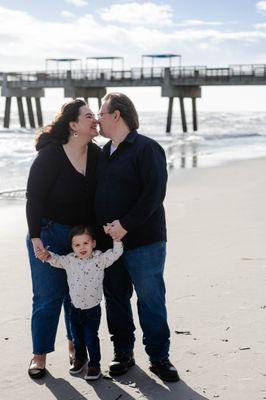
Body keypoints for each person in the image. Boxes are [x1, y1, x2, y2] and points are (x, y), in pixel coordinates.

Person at [95, 92, 179, 382]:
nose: (97, 118)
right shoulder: (104, 153)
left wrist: (126, 225)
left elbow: (154, 193)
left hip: (145, 242)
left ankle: (159, 357)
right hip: (110, 245)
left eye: (101, 113)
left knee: (150, 299)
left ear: (116, 115)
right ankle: (123, 353)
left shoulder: (147, 148)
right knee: (116, 298)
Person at [26, 99, 100, 379]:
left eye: (95, 115)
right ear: (73, 124)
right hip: (47, 233)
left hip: (80, 238)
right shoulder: (51, 155)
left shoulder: (96, 155)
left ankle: (75, 347)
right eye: (89, 116)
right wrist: (35, 238)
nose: (95, 120)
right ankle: (39, 355)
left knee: (76, 295)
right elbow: (34, 198)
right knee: (47, 297)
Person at [36, 225, 123, 380]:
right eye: (77, 245)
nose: (82, 248)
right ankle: (80, 359)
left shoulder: (100, 259)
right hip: (74, 309)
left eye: (86, 243)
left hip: (92, 310)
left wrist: (116, 239)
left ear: (93, 244)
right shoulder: (69, 260)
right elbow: (56, 260)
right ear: (72, 247)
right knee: (77, 338)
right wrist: (46, 255)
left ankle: (95, 365)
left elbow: (116, 253)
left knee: (90, 338)